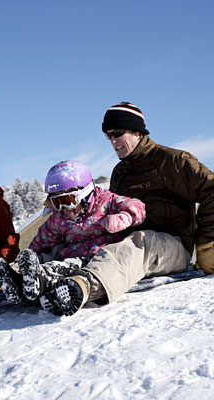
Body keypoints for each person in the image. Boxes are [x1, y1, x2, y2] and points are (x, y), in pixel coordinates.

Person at [17, 101, 214, 317]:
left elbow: (211, 190)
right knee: (65, 244)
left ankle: (82, 287)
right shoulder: (120, 172)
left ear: (137, 132)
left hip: (171, 245)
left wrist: (206, 241)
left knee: (141, 239)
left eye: (117, 133)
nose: (113, 141)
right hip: (123, 247)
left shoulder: (174, 161)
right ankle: (26, 277)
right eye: (108, 136)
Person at [0, 160, 146, 313]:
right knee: (49, 256)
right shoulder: (59, 218)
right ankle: (17, 279)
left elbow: (137, 207)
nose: (63, 208)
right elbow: (42, 240)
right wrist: (28, 258)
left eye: (68, 200)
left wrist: (124, 217)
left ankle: (41, 281)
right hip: (69, 255)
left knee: (63, 267)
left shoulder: (106, 201)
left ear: (85, 193)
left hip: (95, 259)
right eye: (56, 203)